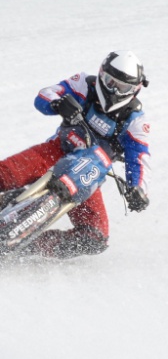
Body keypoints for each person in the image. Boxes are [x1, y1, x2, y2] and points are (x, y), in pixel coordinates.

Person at [0, 51, 151, 258]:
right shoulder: (83, 84)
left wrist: (138, 190)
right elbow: (46, 94)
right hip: (56, 152)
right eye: (110, 82)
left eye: (123, 87)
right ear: (101, 74)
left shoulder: (135, 121)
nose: (114, 91)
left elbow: (140, 159)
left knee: (94, 238)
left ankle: (28, 247)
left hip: (86, 179)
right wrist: (57, 103)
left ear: (135, 89)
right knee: (5, 174)